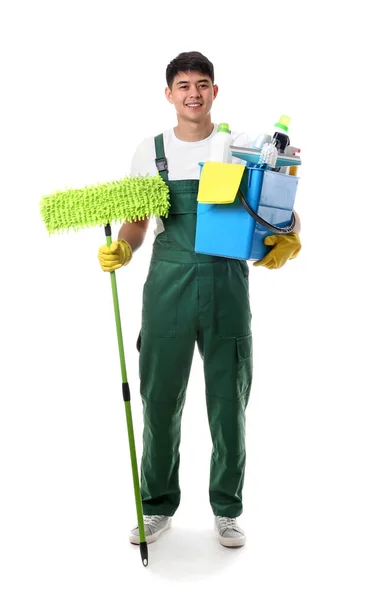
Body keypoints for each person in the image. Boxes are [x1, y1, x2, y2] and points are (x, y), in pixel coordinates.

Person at [98, 51, 301, 548]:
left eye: (202, 83)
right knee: (159, 401)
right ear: (169, 94)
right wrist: (123, 246)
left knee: (229, 402)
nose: (193, 92)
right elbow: (138, 220)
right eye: (183, 84)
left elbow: (277, 206)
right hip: (166, 287)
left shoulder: (240, 148)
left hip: (226, 286)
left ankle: (227, 510)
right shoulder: (149, 152)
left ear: (215, 91)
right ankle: (156, 506)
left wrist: (292, 233)